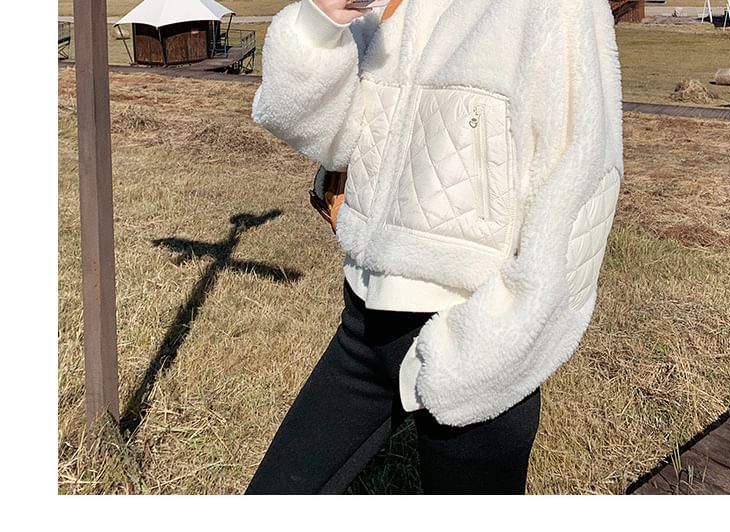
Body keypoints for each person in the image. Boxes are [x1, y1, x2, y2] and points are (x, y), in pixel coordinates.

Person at [245, 0, 624, 494]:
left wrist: (489, 346)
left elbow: (584, 180)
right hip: (362, 326)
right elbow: (329, 138)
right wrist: (323, 22)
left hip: (473, 338)